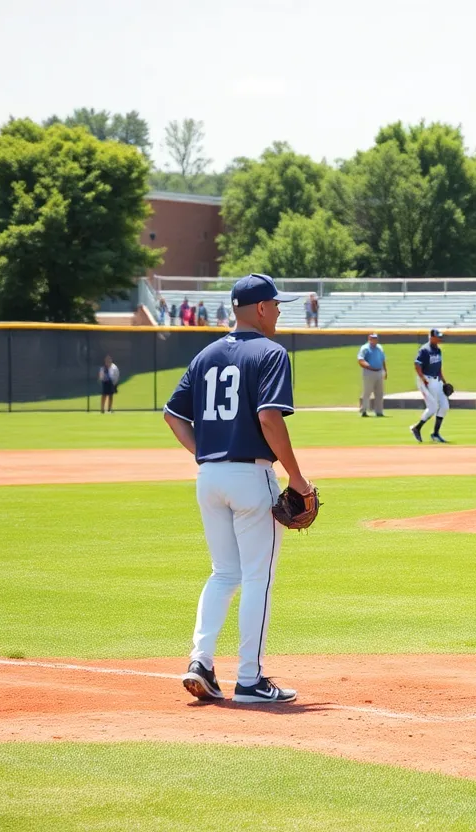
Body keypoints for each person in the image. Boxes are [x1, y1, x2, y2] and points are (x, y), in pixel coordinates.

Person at [165, 273, 310, 705]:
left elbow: (173, 416)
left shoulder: (205, 354)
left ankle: (201, 661)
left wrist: (206, 452)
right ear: (261, 309)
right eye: (278, 305)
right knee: (257, 578)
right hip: (250, 477)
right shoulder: (271, 353)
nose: (281, 311)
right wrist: (297, 479)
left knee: (223, 573)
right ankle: (251, 680)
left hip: (209, 478)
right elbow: (269, 418)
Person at [411, 328, 451, 443]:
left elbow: (439, 368)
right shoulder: (424, 349)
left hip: (437, 380)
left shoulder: (438, 350)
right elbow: (417, 364)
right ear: (431, 337)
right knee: (433, 407)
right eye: (437, 336)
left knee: (444, 406)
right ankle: (416, 428)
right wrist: (423, 379)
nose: (439, 338)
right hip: (426, 380)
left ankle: (435, 434)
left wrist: (444, 381)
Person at [357, 332, 388, 417]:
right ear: (369, 339)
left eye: (376, 338)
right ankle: (364, 410)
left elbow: (383, 359)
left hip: (379, 371)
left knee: (379, 393)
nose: (375, 340)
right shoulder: (365, 348)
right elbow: (360, 360)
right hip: (369, 372)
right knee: (367, 392)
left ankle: (379, 411)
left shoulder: (380, 348)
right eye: (373, 338)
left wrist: (385, 371)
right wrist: (370, 367)